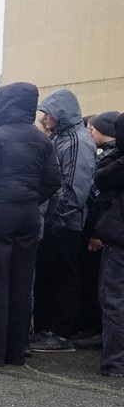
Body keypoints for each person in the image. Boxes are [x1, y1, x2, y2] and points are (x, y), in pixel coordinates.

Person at [0, 82, 60, 367]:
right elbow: (53, 181)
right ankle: (16, 351)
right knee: (20, 283)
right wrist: (30, 198)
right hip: (29, 214)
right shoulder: (42, 139)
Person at [31, 89, 97, 352]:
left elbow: (74, 187)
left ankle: (60, 334)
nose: (45, 118)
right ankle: (48, 330)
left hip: (67, 224)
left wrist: (56, 220)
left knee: (64, 278)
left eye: (48, 113)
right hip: (59, 221)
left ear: (60, 114)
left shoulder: (77, 142)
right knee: (51, 277)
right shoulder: (65, 138)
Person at [78, 112, 122, 348]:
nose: (89, 133)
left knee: (106, 290)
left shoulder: (111, 160)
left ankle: (103, 337)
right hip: (109, 231)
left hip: (108, 233)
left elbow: (101, 197)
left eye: (92, 129)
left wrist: (95, 232)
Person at [90, 112, 124, 376]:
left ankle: (115, 362)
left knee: (114, 302)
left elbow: (101, 178)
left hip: (119, 240)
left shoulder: (116, 163)